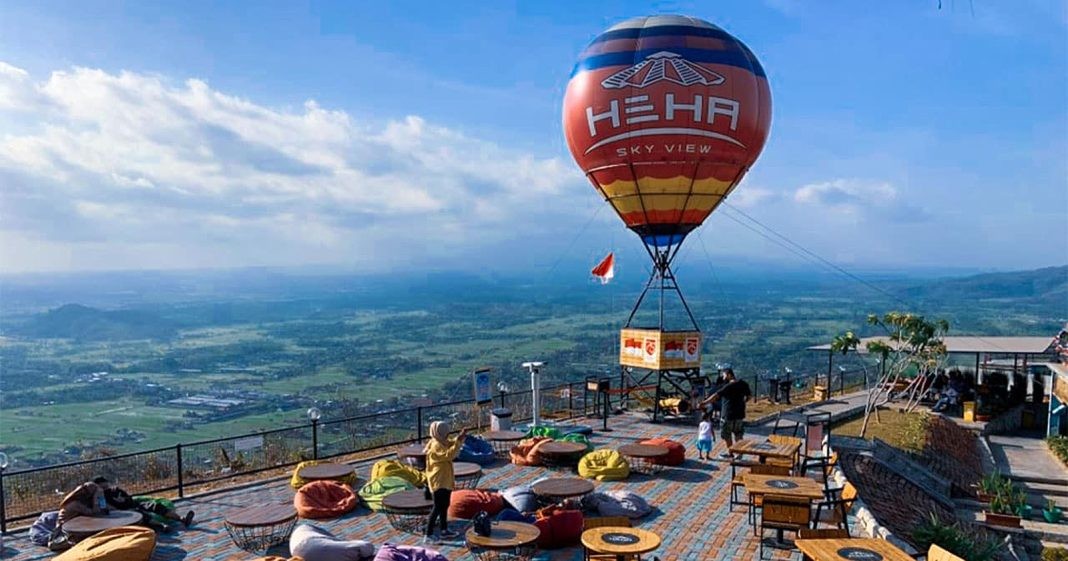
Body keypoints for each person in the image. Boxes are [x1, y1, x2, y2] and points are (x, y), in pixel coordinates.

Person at [423, 421, 466, 543]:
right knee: (437, 507)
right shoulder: (436, 445)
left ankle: (444, 530)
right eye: (446, 433)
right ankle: (429, 534)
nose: (448, 436)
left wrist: (459, 438)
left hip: (444, 480)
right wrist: (458, 443)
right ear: (440, 433)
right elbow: (449, 455)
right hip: (439, 481)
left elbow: (450, 443)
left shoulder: (441, 441)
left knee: (445, 505)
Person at [97, 477, 194, 530]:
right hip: (124, 512)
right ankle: (161, 525)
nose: (107, 489)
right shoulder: (101, 497)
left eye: (107, 486)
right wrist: (120, 507)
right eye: (103, 487)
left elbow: (129, 498)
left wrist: (124, 499)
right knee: (139, 513)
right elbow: (108, 509)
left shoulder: (116, 490)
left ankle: (182, 519)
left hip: (133, 503)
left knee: (155, 505)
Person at [699, 368, 751, 459]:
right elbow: (749, 396)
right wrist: (743, 403)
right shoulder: (743, 384)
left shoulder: (728, 386)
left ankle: (731, 453)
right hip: (739, 414)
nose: (723, 377)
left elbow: (715, 396)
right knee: (738, 434)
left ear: (729, 375)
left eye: (724, 375)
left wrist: (704, 403)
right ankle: (739, 453)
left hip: (728, 414)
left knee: (727, 435)